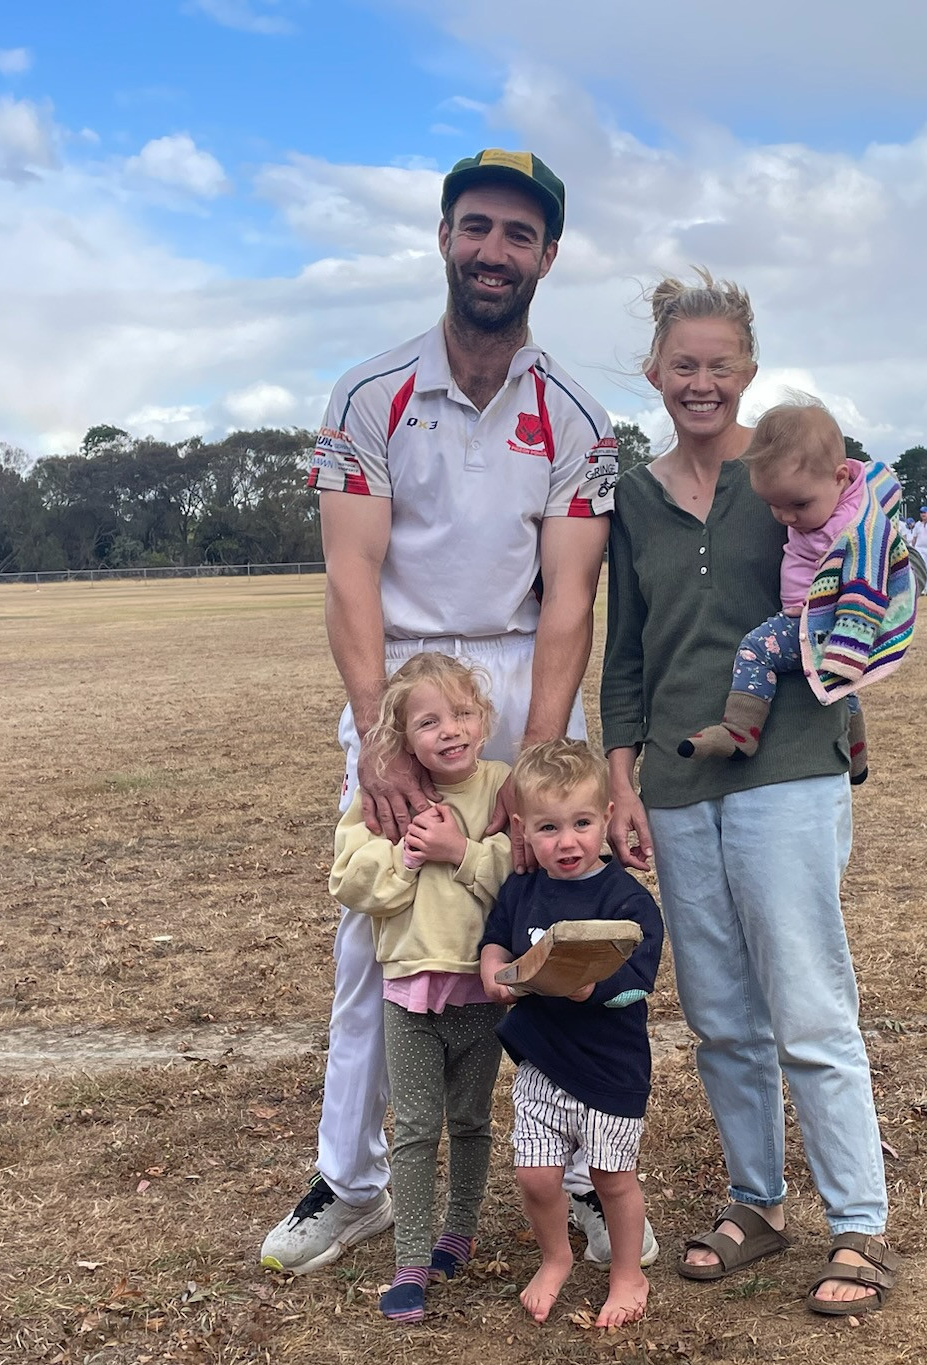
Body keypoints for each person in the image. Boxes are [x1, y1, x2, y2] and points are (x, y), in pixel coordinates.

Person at [261, 147, 657, 1277]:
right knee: (378, 940)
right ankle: (354, 1180)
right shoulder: (368, 392)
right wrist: (382, 735)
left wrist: (537, 760)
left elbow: (569, 589)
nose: (494, 251)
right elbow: (350, 576)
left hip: (524, 677)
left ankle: (582, 1177)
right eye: (476, 227)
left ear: (546, 256)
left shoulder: (576, 413)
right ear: (443, 237)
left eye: (518, 236)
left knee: (546, 927)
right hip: (401, 682)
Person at [601, 270, 903, 1316]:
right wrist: (619, 774)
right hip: (678, 781)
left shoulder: (790, 472)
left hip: (785, 769)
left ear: (746, 371)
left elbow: (867, 568)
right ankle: (757, 1205)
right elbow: (626, 647)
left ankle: (857, 1225)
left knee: (808, 1006)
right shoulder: (631, 496)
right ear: (653, 372)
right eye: (681, 364)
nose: (699, 382)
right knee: (722, 1017)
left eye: (717, 364)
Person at [327, 654, 513, 1323]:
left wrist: (461, 851)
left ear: (485, 720)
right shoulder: (384, 800)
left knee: (469, 1121)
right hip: (408, 994)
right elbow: (348, 879)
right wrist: (406, 854)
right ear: (403, 738)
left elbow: (525, 874)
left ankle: (456, 1233)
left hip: (483, 996)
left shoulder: (502, 788)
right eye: (429, 720)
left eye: (462, 713)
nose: (450, 730)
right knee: (413, 1129)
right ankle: (410, 1258)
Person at [478, 740, 665, 1329]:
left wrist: (584, 985)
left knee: (613, 1179)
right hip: (542, 1063)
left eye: (582, 824)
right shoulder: (523, 889)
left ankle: (627, 1272)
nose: (567, 841)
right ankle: (556, 1257)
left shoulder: (627, 900)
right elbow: (498, 938)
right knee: (535, 1174)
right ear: (522, 830)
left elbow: (638, 983)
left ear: (606, 818)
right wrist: (493, 970)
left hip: (610, 1070)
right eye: (548, 827)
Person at [676, 399, 916, 787]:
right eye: (774, 505)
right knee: (837, 690)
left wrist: (846, 652)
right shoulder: (844, 492)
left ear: (839, 477)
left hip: (818, 622)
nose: (787, 517)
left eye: (799, 504)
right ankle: (855, 752)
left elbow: (863, 589)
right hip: (818, 620)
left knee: (756, 650)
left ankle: (740, 730)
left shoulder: (854, 532)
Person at [905, 507, 927, 595]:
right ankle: (922, 589)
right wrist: (912, 549)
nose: (923, 514)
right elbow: (914, 538)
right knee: (920, 569)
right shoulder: (918, 524)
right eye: (921, 513)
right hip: (919, 548)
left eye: (925, 513)